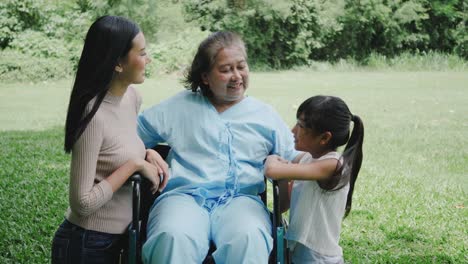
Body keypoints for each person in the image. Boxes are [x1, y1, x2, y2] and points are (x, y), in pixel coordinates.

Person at [137, 31, 299, 263]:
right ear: (205, 76)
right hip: (183, 196)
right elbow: (127, 138)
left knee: (248, 237)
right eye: (226, 70)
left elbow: (291, 156)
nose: (237, 76)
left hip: (241, 200)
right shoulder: (179, 106)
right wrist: (146, 152)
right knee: (172, 236)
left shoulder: (264, 115)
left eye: (241, 67)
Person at [51, 15, 169, 264]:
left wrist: (147, 153)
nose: (149, 59)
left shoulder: (131, 98)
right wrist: (134, 166)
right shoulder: (93, 115)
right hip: (86, 244)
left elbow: (118, 145)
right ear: (117, 62)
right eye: (142, 53)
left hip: (120, 240)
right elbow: (82, 202)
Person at [264, 95, 364, 264]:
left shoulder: (333, 165)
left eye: (301, 126)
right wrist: (284, 174)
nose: (293, 130)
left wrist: (273, 160)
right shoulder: (308, 159)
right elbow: (284, 204)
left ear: (324, 138)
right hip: (300, 254)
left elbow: (272, 170)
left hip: (319, 258)